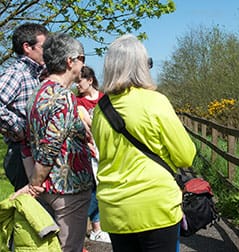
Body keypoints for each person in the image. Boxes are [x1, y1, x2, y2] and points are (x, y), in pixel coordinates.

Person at [91, 34, 196, 252]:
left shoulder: (101, 109)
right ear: (140, 66)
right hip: (155, 205)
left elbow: (103, 152)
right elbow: (185, 155)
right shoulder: (155, 101)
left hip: (115, 207)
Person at [13, 33, 94, 252]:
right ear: (70, 61)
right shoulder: (64, 96)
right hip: (68, 189)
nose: (83, 64)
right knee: (69, 247)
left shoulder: (35, 93)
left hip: (45, 188)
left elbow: (26, 143)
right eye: (82, 58)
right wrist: (33, 184)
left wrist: (35, 181)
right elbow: (51, 145)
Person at [0, 23, 48, 191]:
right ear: (27, 47)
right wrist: (18, 129)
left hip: (34, 151)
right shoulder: (17, 73)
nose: (47, 52)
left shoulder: (36, 74)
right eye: (43, 47)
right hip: (20, 154)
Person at [76, 65, 111, 243]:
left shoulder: (105, 100)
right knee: (93, 188)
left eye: (79, 81)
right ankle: (82, 226)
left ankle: (96, 228)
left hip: (105, 148)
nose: (77, 85)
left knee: (101, 187)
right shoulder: (77, 102)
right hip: (88, 150)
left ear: (90, 80)